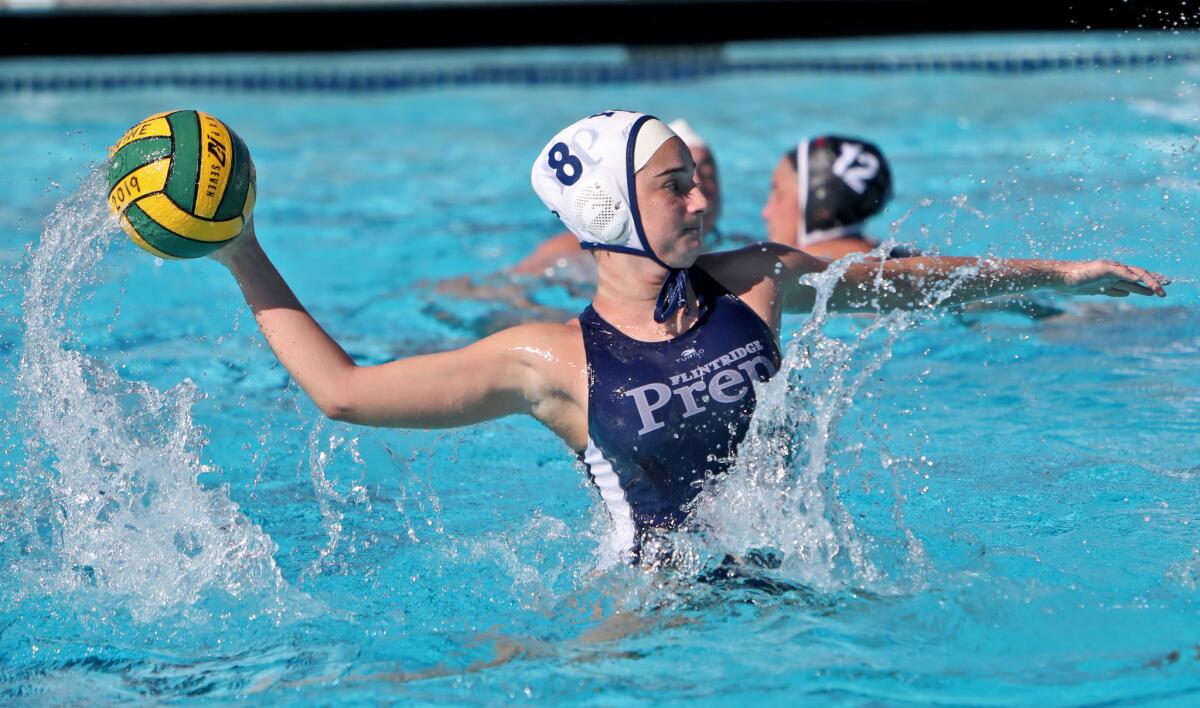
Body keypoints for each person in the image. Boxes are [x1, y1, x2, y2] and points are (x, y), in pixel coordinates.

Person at [211, 110, 1168, 564]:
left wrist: (1059, 274)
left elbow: (912, 286)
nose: (703, 198)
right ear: (608, 206)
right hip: (649, 625)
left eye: (695, 181)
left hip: (805, 586)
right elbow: (343, 391)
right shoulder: (549, 359)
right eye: (676, 185)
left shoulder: (752, 279)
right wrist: (242, 251)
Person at [510, 119, 723, 279]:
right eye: (674, 184)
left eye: (707, 173)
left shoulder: (728, 247)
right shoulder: (569, 250)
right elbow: (508, 288)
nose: (700, 195)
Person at [762, 134, 914, 259]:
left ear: (820, 206)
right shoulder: (909, 261)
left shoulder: (784, 270)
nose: (766, 212)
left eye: (778, 194)